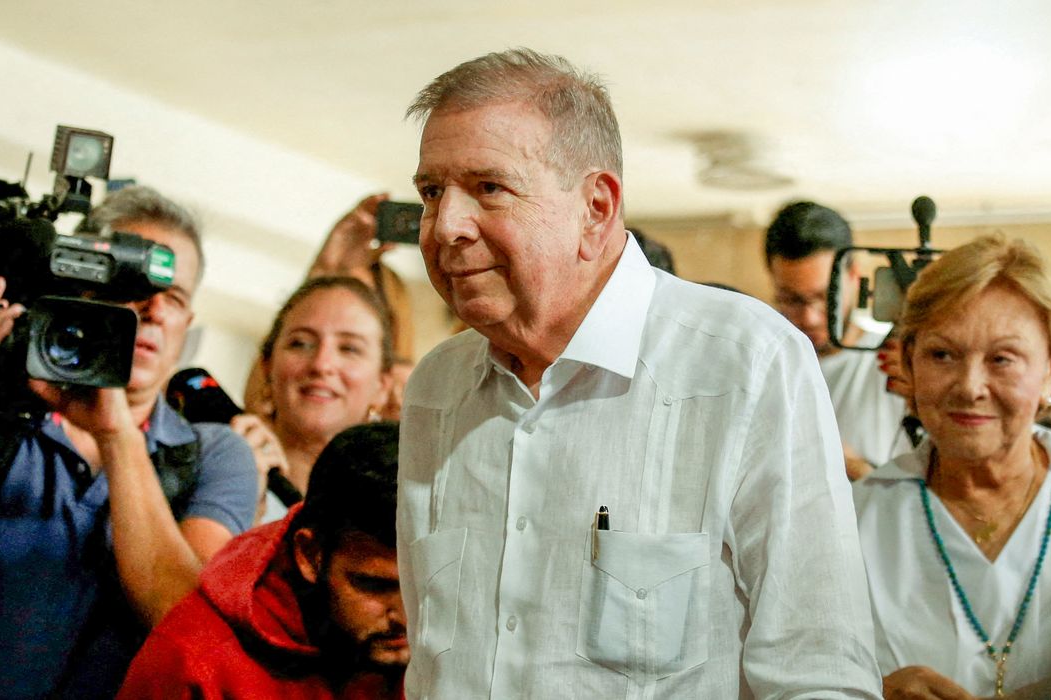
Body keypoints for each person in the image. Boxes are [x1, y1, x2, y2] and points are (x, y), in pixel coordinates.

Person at [397, 48, 881, 698]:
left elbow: (818, 674)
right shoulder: (436, 386)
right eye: (432, 192)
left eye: (488, 188)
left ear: (596, 208)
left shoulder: (745, 361)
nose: (446, 226)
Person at [0, 186, 258, 699]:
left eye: (173, 297)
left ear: (186, 325)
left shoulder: (215, 453)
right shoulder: (1, 401)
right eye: (132, 283)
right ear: (78, 285)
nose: (153, 308)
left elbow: (181, 617)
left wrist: (116, 431)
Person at [851, 235, 1051, 698]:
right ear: (909, 362)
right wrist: (870, 691)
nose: (970, 386)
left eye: (1002, 359)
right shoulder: (854, 519)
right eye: (942, 355)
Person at [117, 422, 407, 699]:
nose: (407, 616)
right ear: (310, 555)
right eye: (374, 585)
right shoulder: (192, 661)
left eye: (428, 586)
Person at [764, 200, 911, 480]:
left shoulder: (893, 362)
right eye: (791, 299)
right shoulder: (766, 367)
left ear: (854, 276)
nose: (809, 317)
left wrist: (846, 466)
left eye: (823, 297)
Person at [237, 275, 394, 523]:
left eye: (349, 348)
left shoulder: (395, 511)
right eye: (301, 344)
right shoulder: (215, 468)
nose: (322, 364)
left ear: (382, 386)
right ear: (267, 366)